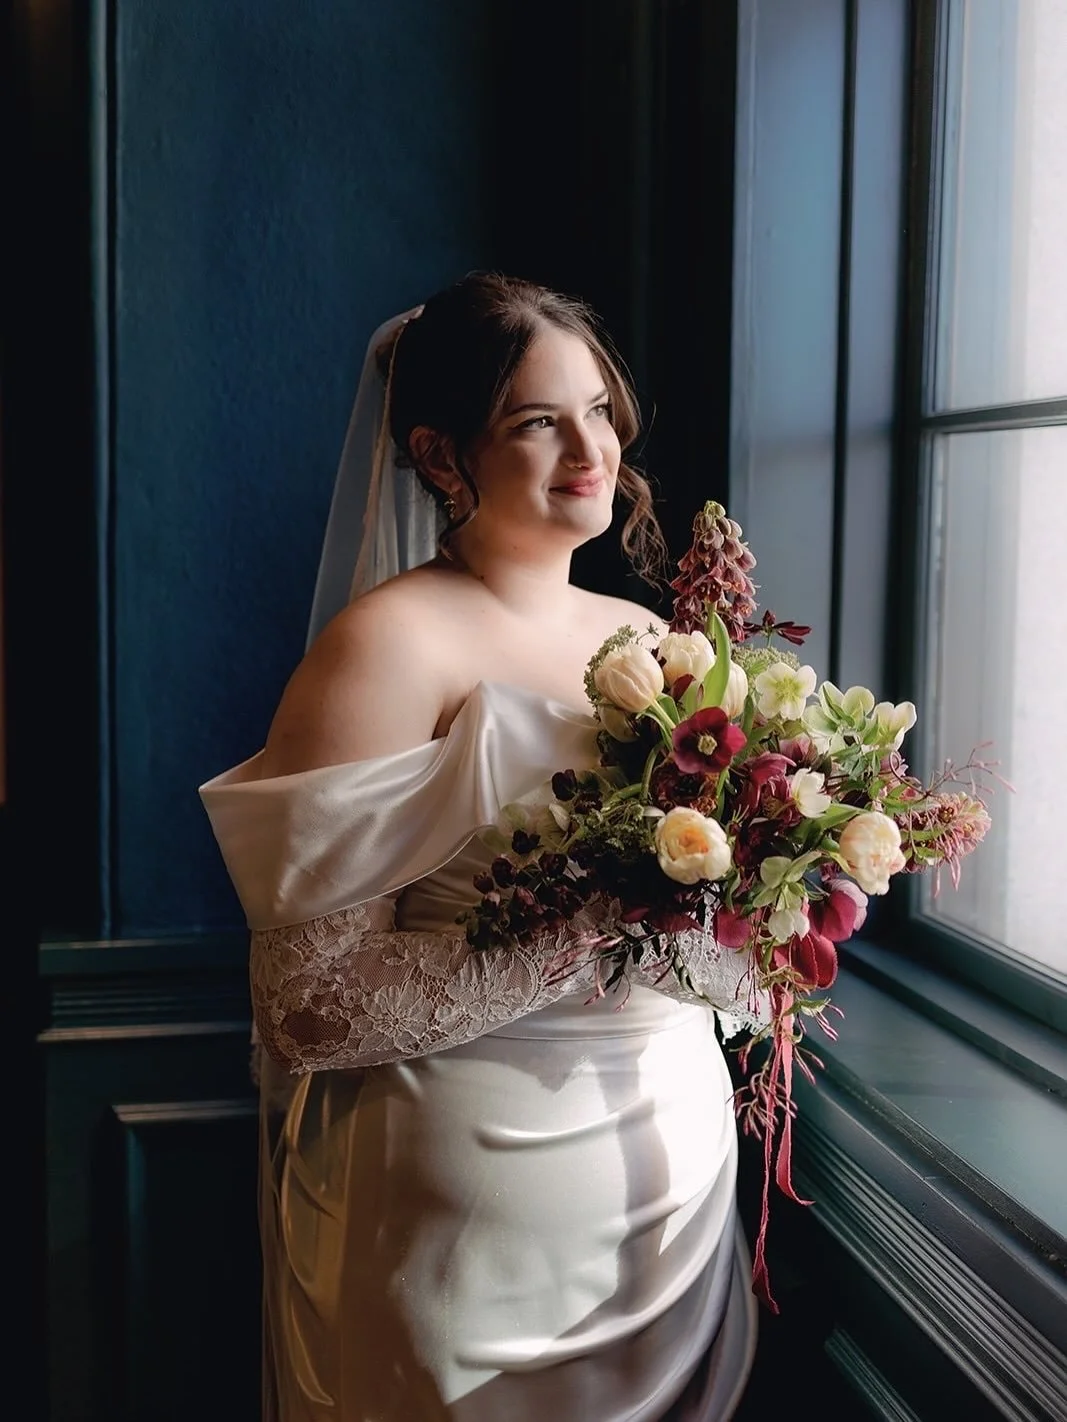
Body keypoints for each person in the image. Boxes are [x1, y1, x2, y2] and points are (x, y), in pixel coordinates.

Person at [200, 272, 759, 1421]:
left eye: (598, 410)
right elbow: (307, 1002)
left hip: (668, 1177)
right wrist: (583, 928)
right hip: (462, 1205)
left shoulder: (650, 637)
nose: (587, 448)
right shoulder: (385, 648)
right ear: (440, 453)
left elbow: (711, 937)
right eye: (535, 421)